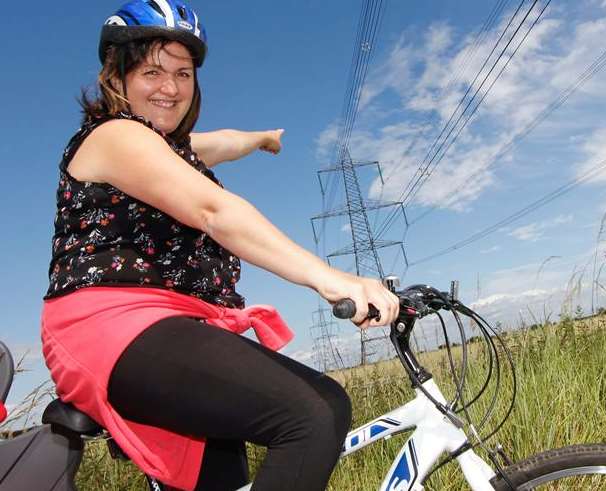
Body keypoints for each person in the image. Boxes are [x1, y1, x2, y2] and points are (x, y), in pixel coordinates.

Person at [40, 1, 399, 490]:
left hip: (174, 326)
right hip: (113, 324)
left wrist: (261, 139)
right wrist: (331, 277)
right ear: (116, 78)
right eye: (152, 71)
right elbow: (215, 211)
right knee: (315, 411)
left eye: (183, 73)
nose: (170, 87)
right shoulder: (115, 136)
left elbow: (221, 142)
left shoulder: (171, 147)